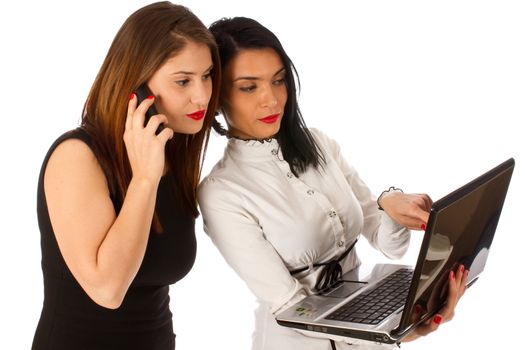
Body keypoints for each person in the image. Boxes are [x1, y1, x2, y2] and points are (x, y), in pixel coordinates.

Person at [197, 17, 468, 350]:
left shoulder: (319, 144)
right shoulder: (221, 193)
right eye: (249, 87)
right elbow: (290, 306)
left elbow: (387, 244)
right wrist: (397, 329)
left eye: (279, 80)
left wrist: (391, 207)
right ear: (218, 97)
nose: (272, 99)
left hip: (369, 331)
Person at [32, 2, 220, 349]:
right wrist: (144, 180)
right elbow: (108, 288)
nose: (202, 95)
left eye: (207, 75)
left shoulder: (170, 152)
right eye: (183, 81)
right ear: (137, 88)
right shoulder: (76, 156)